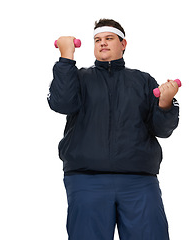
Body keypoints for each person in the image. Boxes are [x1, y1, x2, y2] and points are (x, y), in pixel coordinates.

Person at [47, 19, 179, 240]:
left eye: (109, 38)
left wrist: (165, 103)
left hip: (139, 182)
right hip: (87, 179)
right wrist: (65, 59)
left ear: (123, 43)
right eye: (98, 40)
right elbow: (61, 103)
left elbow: (162, 130)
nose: (103, 43)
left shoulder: (144, 81)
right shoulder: (78, 77)